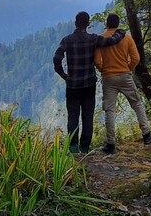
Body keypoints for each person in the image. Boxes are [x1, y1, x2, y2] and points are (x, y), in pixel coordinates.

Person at [54, 11, 126, 153]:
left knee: (73, 116)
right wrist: (121, 32)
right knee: (88, 116)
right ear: (88, 24)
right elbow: (111, 40)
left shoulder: (67, 40)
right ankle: (84, 149)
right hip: (89, 85)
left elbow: (57, 58)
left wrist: (63, 75)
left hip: (73, 85)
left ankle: (73, 149)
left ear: (75, 23)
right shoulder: (93, 39)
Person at [94, 13, 151, 155]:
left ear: (107, 24)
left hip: (108, 78)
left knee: (110, 110)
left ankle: (110, 144)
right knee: (137, 104)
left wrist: (103, 69)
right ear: (118, 24)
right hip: (125, 76)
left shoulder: (100, 39)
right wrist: (128, 68)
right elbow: (136, 58)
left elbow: (97, 61)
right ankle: (146, 135)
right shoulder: (127, 38)